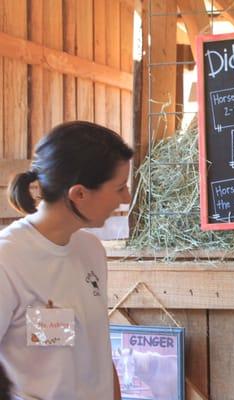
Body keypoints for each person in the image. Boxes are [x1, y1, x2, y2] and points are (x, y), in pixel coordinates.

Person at [0, 121, 133, 399]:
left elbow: (97, 349)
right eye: (119, 187)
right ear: (79, 194)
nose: (126, 197)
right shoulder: (7, 259)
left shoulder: (91, 250)